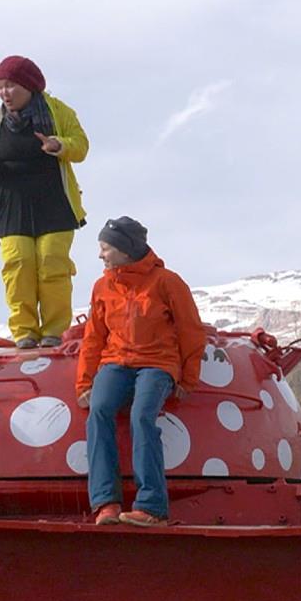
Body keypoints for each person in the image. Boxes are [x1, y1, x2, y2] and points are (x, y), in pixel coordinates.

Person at [77, 217, 203, 527]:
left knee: (142, 415)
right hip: (116, 361)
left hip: (157, 363)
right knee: (99, 411)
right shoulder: (102, 286)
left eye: (105, 248)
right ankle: (106, 503)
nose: (100, 255)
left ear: (125, 249)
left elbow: (190, 330)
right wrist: (84, 382)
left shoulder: (167, 282)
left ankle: (152, 506)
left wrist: (188, 377)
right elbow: (93, 337)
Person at [0, 55, 89, 349]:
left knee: (52, 262)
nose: (4, 93)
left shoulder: (59, 112)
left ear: (30, 86)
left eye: (11, 85)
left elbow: (81, 146)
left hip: (54, 201)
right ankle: (24, 332)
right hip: (10, 204)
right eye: (0, 87)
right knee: (18, 263)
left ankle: (55, 331)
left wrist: (59, 144)